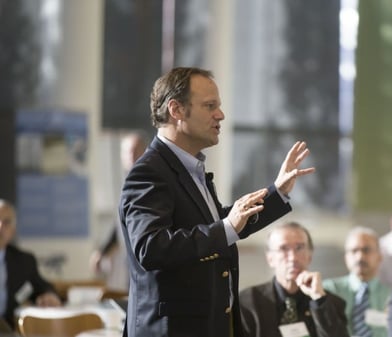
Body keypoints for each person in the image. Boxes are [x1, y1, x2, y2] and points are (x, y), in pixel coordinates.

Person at [119, 67, 315, 337]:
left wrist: (276, 193)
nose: (220, 115)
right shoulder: (149, 172)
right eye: (210, 106)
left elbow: (220, 225)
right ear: (176, 110)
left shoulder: (189, 167)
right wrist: (226, 227)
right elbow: (151, 247)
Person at [239, 221, 349, 337]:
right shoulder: (248, 302)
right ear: (270, 258)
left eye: (299, 248)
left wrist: (319, 300)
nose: (293, 257)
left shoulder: (332, 304)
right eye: (283, 249)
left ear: (310, 256)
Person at [89, 131, 147, 291]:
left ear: (144, 151)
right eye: (127, 152)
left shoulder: (149, 182)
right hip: (128, 262)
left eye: (135, 151)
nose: (131, 156)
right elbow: (120, 224)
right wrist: (102, 251)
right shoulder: (126, 184)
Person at [0, 199, 61, 328]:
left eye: (6, 222)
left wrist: (48, 295)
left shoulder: (24, 261)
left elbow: (42, 287)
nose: (0, 226)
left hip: (9, 331)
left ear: (13, 229)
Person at [323, 226, 391, 337]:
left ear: (379, 256)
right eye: (354, 251)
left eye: (366, 250)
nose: (360, 257)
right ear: (346, 257)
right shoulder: (329, 290)